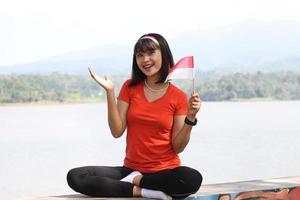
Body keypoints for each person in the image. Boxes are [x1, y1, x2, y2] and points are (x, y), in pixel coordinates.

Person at [66, 33, 203, 199]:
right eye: (140, 55)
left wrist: (190, 118)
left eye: (151, 53)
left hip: (165, 171)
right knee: (76, 177)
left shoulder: (178, 96)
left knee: (192, 179)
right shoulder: (130, 88)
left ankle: (137, 181)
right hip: (130, 169)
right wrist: (110, 92)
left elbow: (178, 147)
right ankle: (141, 190)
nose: (145, 59)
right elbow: (117, 131)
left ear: (164, 54)